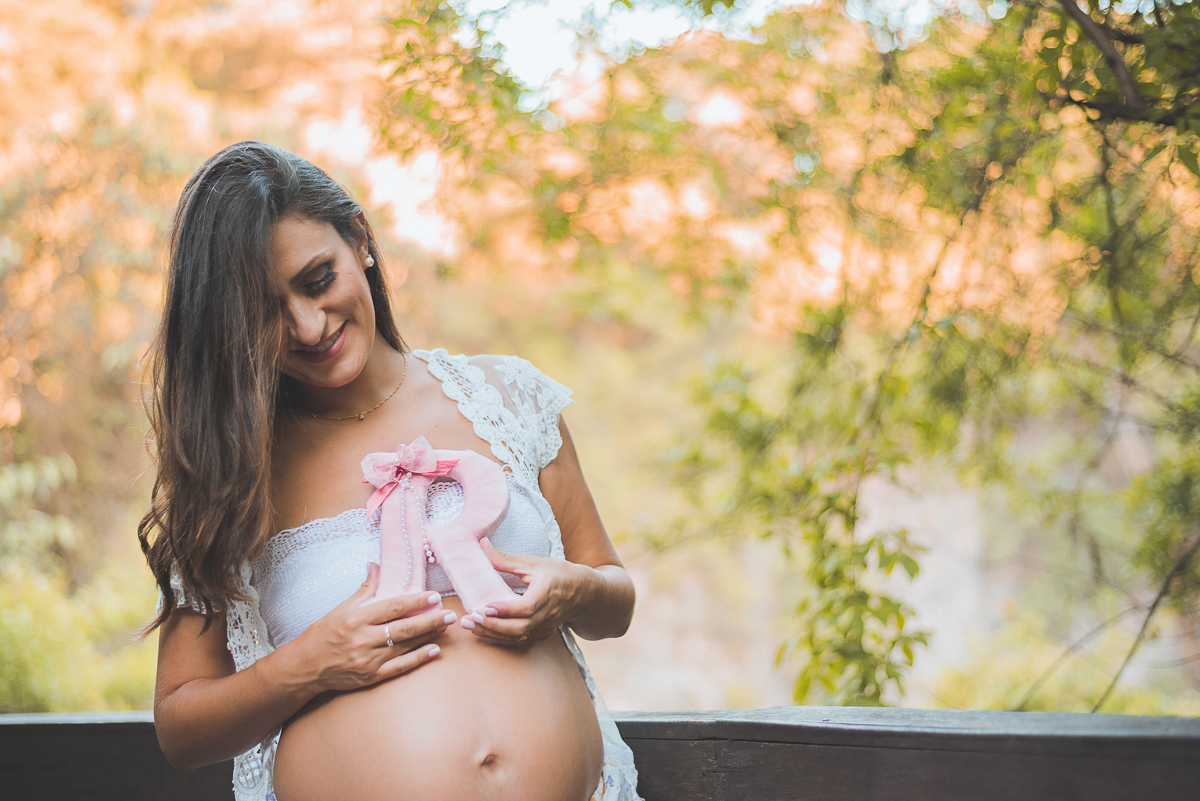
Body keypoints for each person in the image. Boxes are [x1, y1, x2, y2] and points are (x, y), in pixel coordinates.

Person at [139, 141, 641, 801]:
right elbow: (181, 727)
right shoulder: (229, 471)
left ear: (359, 240)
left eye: (318, 279)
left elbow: (615, 596)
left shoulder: (508, 398)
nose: (308, 325)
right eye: (264, 312)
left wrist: (571, 591)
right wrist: (309, 664)